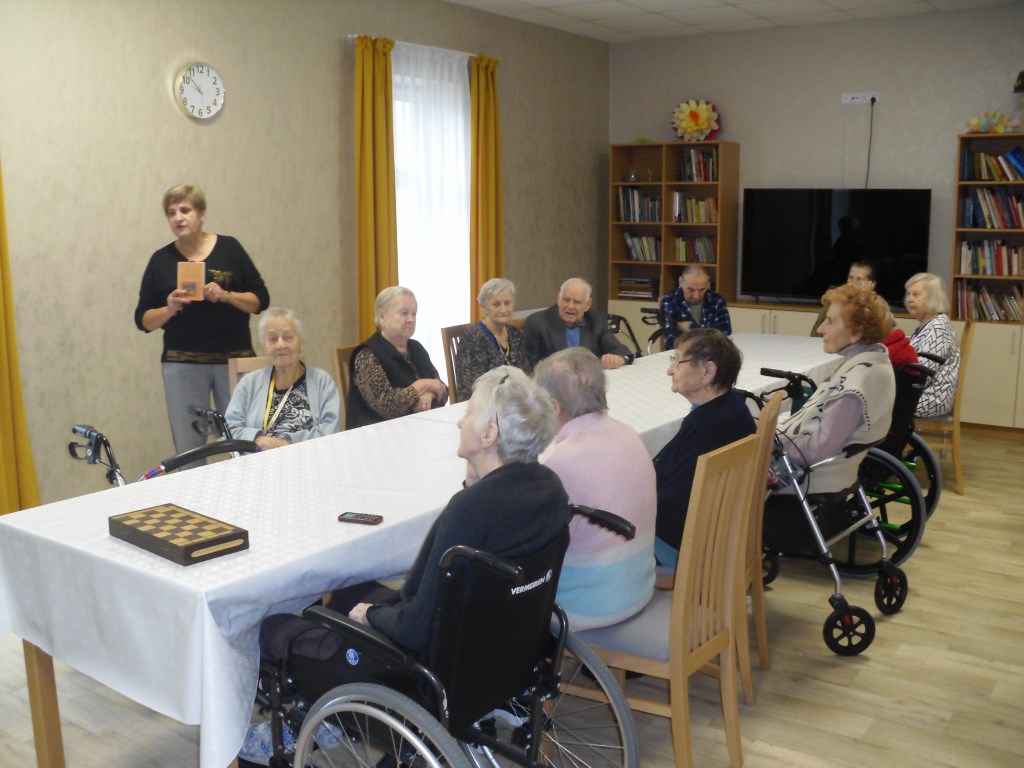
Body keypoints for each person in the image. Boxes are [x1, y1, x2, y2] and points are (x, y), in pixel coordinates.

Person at [241, 367, 569, 763]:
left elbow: (412, 628)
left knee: (271, 625)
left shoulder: (468, 511)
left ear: (489, 435)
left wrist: (372, 615)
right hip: (500, 657)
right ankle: (328, 712)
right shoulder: (549, 488)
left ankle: (289, 725)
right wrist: (475, 479)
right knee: (346, 590)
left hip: (423, 675)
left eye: (469, 414)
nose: (459, 421)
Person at [134, 184, 270, 460]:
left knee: (248, 444)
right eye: (171, 212)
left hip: (234, 363)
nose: (178, 217)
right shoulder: (160, 261)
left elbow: (260, 300)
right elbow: (143, 320)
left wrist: (227, 295)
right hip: (182, 365)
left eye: (185, 210)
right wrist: (169, 308)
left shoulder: (230, 248)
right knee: (190, 450)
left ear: (202, 214)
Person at [766, 284, 895, 551]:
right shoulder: (873, 363)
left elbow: (818, 449)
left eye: (830, 321)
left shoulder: (854, 385)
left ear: (856, 333)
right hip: (834, 468)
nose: (822, 329)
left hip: (811, 473)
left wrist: (769, 440)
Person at [534, 348, 656, 630]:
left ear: (553, 407)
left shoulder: (561, 463)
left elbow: (537, 551)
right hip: (638, 588)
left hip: (585, 608)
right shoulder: (630, 434)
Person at [653, 329, 756, 566]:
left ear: (708, 372)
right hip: (711, 538)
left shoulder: (709, 426)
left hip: (681, 548)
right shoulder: (733, 408)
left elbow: (674, 504)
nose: (669, 370)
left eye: (678, 361)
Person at [224, 307, 341, 449]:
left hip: (309, 456)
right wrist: (258, 440)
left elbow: (331, 430)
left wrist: (288, 445)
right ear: (264, 345)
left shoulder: (322, 382)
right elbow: (228, 430)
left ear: (301, 343)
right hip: (260, 458)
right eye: (272, 339)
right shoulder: (248, 384)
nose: (280, 345)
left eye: (288, 337)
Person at [346, 286, 448, 429]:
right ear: (382, 317)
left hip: (417, 426)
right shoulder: (367, 355)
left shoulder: (416, 347)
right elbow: (388, 407)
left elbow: (443, 390)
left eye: (414, 314)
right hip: (376, 432)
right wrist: (424, 385)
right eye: (404, 313)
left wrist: (429, 395)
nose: (411, 319)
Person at [524, 277, 633, 370]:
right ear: (558, 299)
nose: (570, 306)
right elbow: (530, 368)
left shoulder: (597, 320)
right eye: (566, 300)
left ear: (587, 305)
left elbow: (623, 352)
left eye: (577, 302)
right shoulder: (536, 323)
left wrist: (619, 359)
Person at [455, 277, 531, 401]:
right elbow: (474, 386)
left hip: (516, 401)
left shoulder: (515, 334)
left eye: (507, 303)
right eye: (496, 304)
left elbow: (526, 373)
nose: (503, 309)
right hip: (484, 403)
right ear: (484, 307)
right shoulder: (474, 337)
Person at [904, 272, 961, 417]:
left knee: (878, 403)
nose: (909, 299)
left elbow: (922, 375)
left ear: (933, 298)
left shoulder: (938, 328)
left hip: (932, 399)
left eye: (916, 295)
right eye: (908, 294)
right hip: (922, 393)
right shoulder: (929, 324)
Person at [659, 265, 732, 350]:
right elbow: (672, 341)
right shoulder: (669, 300)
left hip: (712, 353)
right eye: (691, 289)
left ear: (708, 284)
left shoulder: (717, 300)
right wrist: (709, 333)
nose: (696, 296)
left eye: (702, 289)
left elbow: (725, 335)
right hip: (680, 354)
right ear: (681, 282)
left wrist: (690, 327)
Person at [810, 260, 876, 337]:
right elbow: (814, 337)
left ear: (872, 284)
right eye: (851, 278)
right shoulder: (832, 306)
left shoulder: (878, 310)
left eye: (859, 279)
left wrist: (865, 299)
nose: (853, 283)